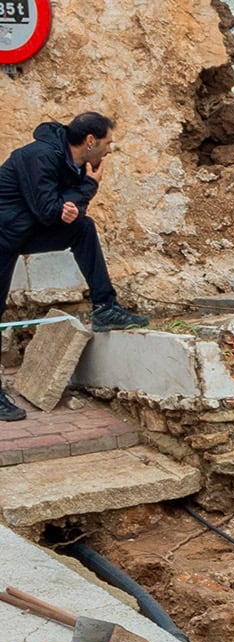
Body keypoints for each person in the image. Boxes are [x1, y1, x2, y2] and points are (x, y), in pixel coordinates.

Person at [0, 112, 147, 418]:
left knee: (83, 228)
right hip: (4, 234)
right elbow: (49, 210)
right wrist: (87, 188)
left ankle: (106, 307)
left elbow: (69, 212)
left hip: (20, 231)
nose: (110, 150)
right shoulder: (39, 156)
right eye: (108, 143)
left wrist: (72, 203)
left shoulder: (76, 163)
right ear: (90, 140)